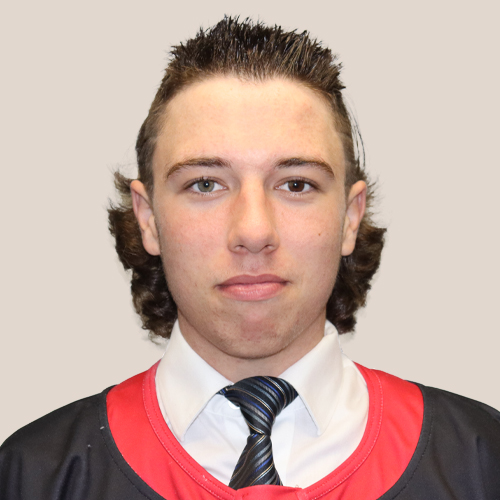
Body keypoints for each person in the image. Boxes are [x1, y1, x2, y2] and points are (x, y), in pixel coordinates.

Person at [1, 16, 499, 500]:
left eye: (296, 184)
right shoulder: (32, 475)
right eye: (205, 184)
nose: (254, 232)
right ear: (148, 218)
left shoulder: (481, 461)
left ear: (350, 217)